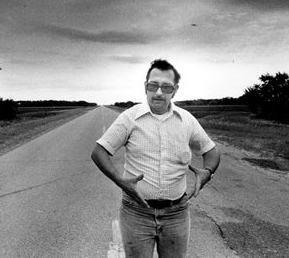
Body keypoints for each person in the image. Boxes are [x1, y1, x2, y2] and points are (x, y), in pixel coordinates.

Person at [91, 59, 220, 258]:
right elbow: (99, 151)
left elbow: (211, 151)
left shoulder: (187, 121)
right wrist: (120, 180)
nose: (159, 92)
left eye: (166, 87)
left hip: (176, 213)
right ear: (146, 87)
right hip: (136, 212)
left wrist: (207, 172)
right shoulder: (129, 117)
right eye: (153, 85)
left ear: (175, 90)